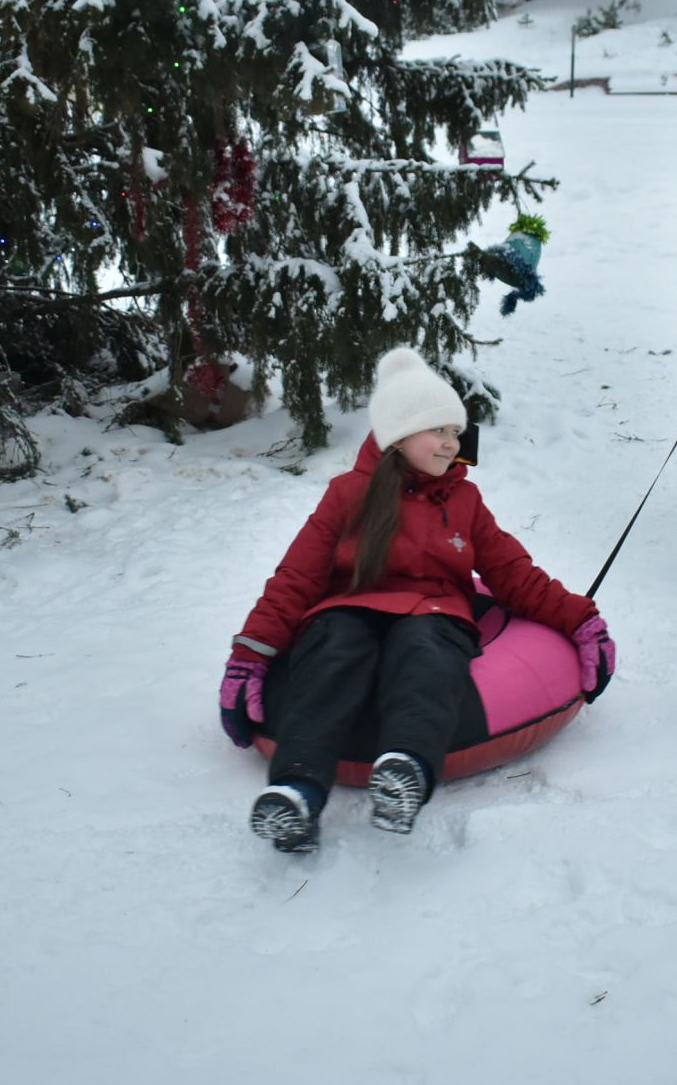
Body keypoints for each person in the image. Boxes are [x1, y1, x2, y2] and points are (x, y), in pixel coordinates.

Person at [218, 346, 617, 853]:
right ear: (398, 437)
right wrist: (249, 656)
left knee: (426, 659)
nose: (452, 444)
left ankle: (404, 770)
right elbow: (296, 576)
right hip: (347, 608)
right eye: (439, 430)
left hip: (435, 612)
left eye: (456, 431)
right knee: (331, 659)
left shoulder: (464, 501)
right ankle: (296, 789)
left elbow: (513, 573)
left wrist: (582, 621)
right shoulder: (348, 494)